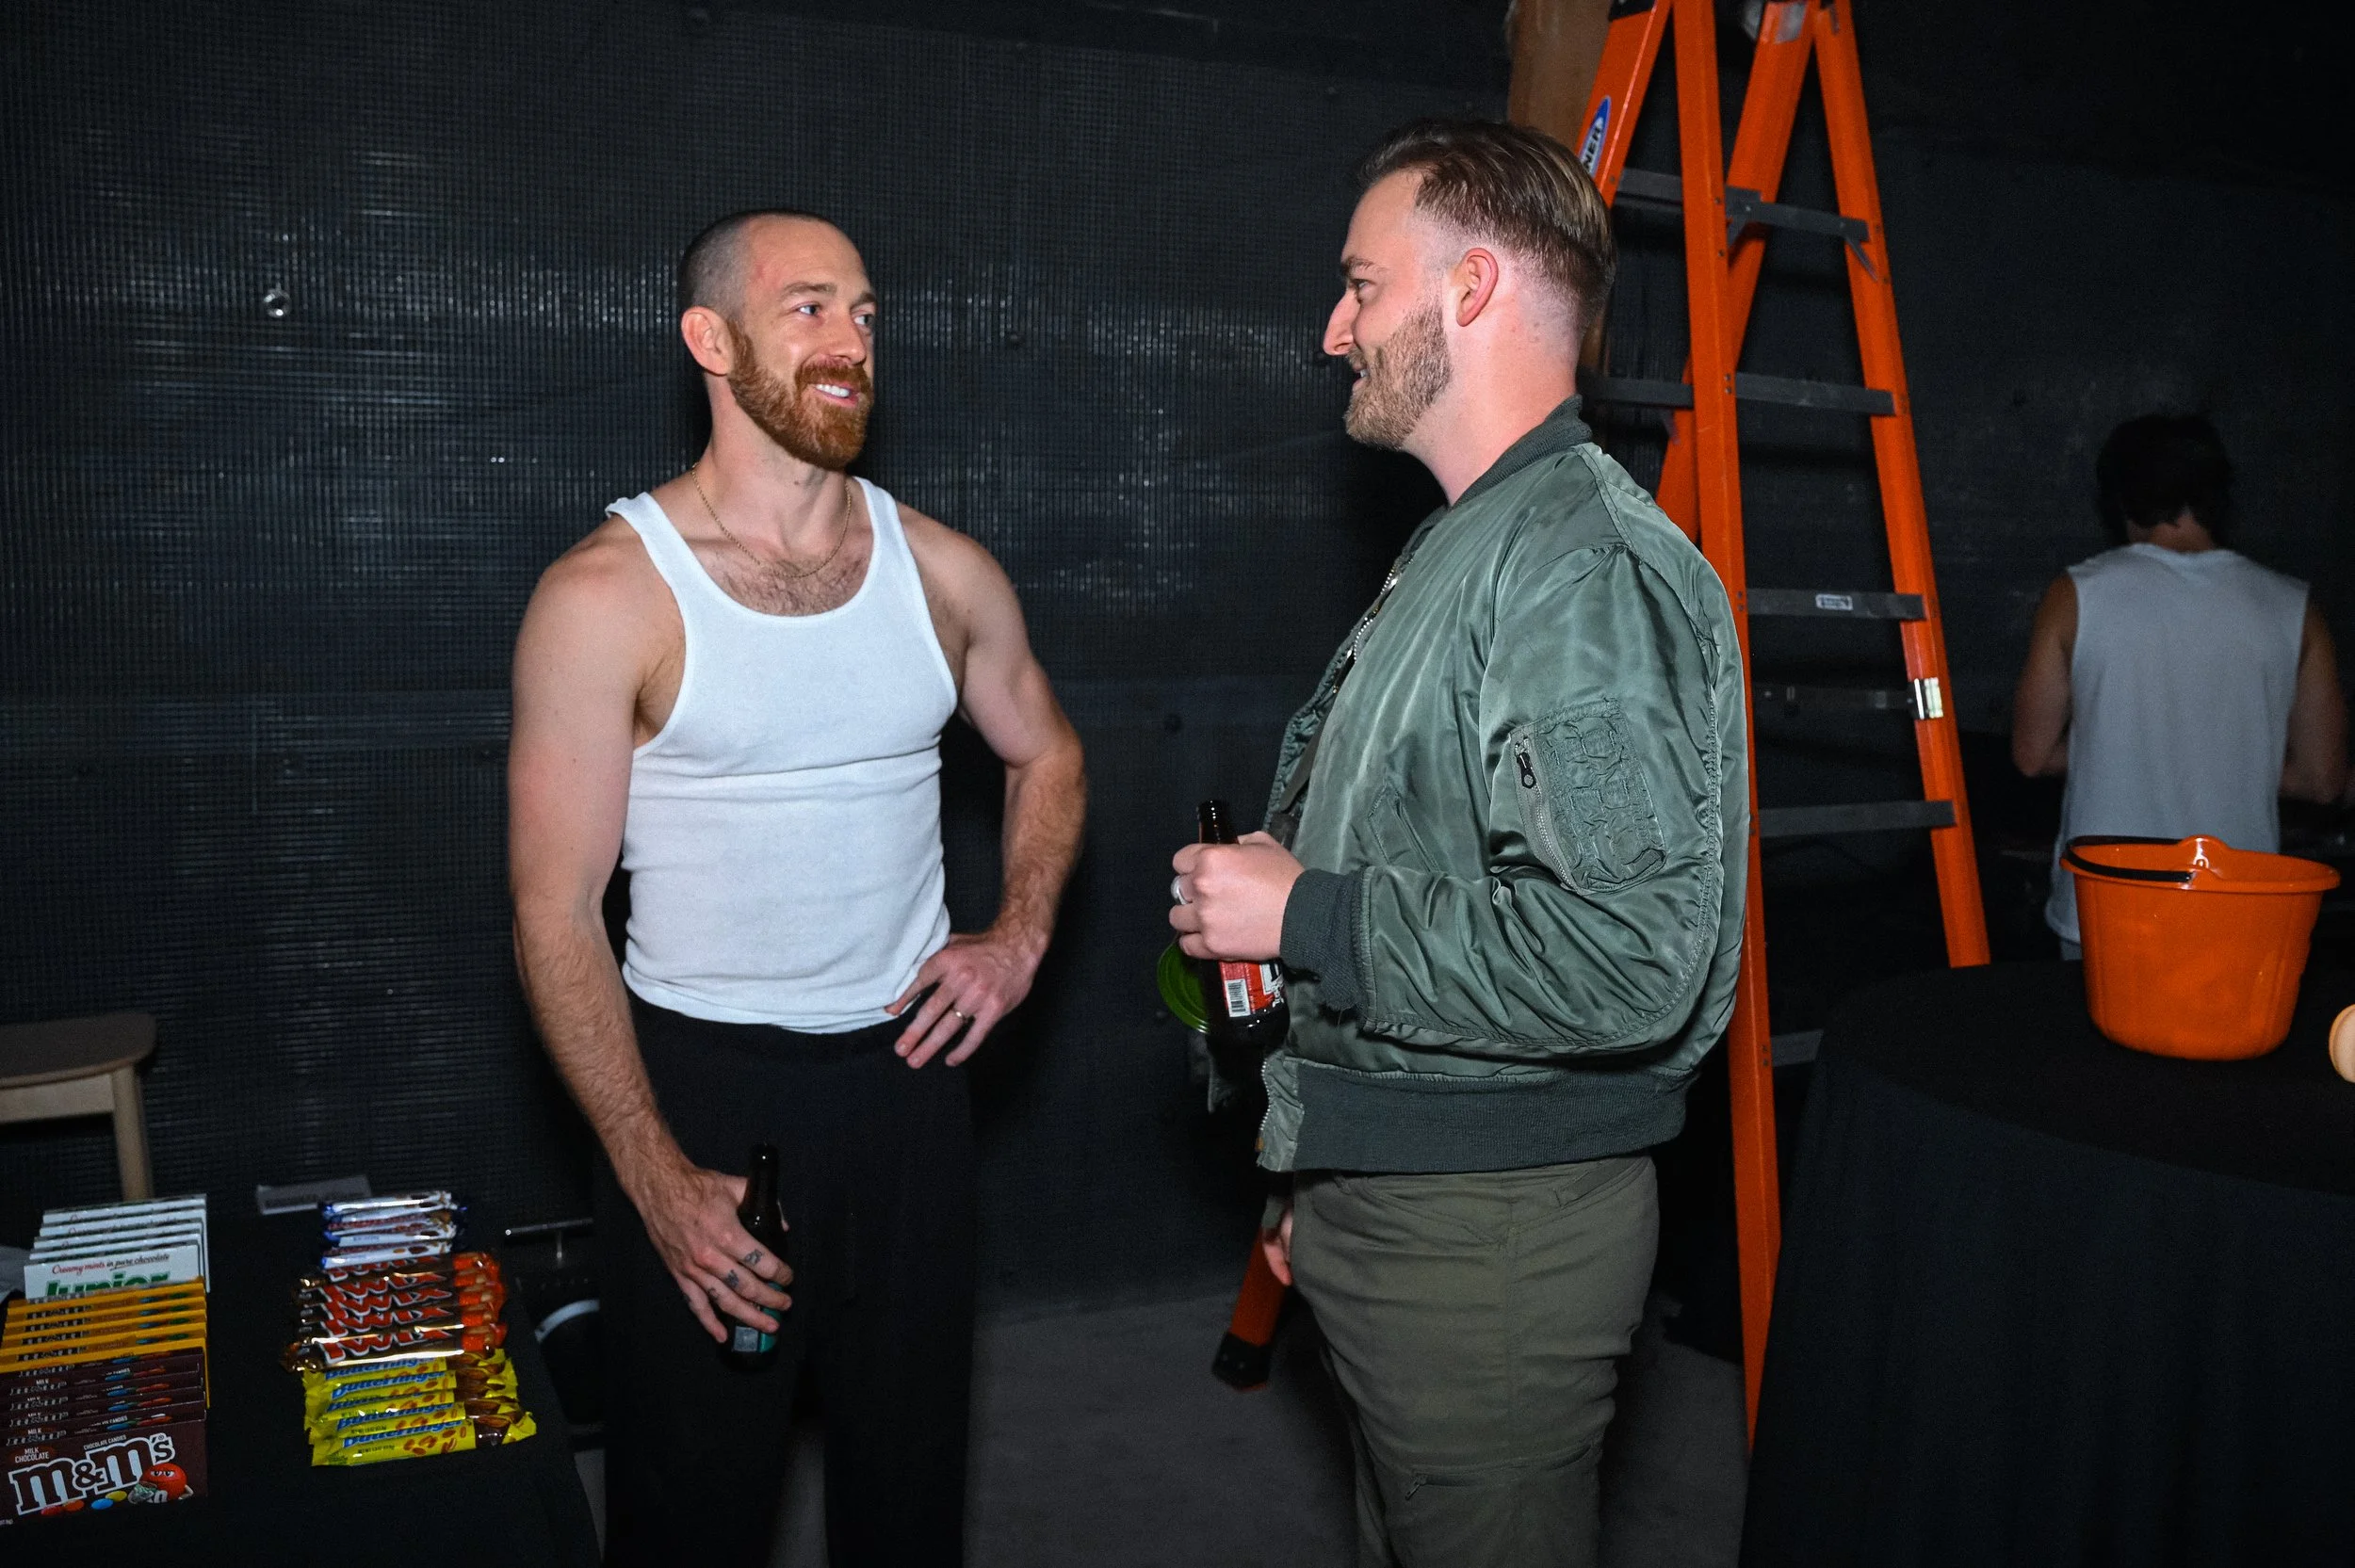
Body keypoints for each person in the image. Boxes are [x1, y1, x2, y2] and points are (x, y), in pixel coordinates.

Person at [1170, 121, 1748, 1568]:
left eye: (1363, 285)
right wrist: (1319, 1160)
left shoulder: (1577, 568)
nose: (1334, 329)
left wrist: (1305, 915)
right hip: (1411, 1201)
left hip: (1489, 1240)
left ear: (1471, 287)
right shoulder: (1475, 537)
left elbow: (1629, 957)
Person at [508, 209, 1085, 1566]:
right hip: (699, 1093)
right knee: (691, 1512)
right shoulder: (606, 597)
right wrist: (653, 1177)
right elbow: (552, 911)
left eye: (866, 313)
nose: (851, 343)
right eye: (810, 308)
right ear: (711, 341)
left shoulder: (943, 572)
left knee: (909, 1497)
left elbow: (1047, 751)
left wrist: (1018, 934)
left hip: (906, 1091)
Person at [2011, 413, 2346, 955]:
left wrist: (2128, 744)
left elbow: (2031, 754)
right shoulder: (2296, 608)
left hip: (2106, 910)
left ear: (2123, 498)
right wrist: (2225, 754)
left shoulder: (2075, 595)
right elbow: (2323, 780)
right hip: (2238, 909)